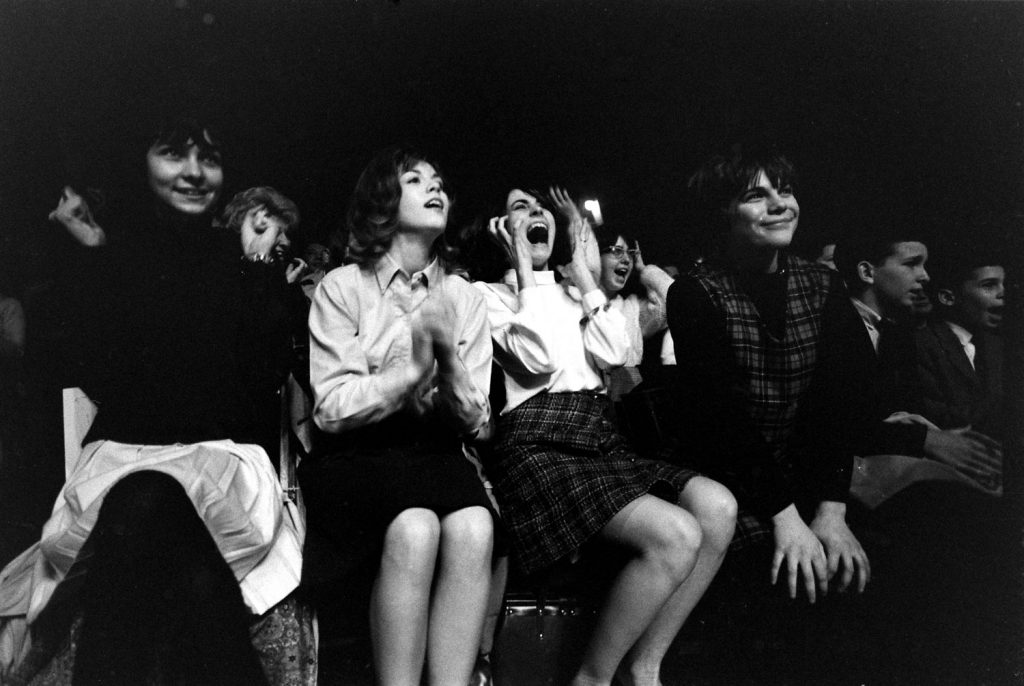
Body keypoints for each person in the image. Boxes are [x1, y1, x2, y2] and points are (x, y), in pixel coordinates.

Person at [0, 116, 305, 686]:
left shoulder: (239, 265)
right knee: (174, 548)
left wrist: (260, 275)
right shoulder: (113, 258)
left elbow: (252, 390)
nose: (193, 172)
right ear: (141, 161)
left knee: (151, 511)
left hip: (219, 465)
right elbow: (100, 378)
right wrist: (93, 257)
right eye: (173, 154)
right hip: (124, 460)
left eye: (208, 159)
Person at [475, 186, 736, 686]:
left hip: (599, 437)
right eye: (518, 208)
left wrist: (586, 286)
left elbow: (619, 354)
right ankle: (593, 678)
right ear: (497, 230)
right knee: (676, 536)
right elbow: (538, 360)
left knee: (717, 507)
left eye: (540, 208)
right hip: (539, 444)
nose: (535, 214)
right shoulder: (488, 294)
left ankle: (645, 665)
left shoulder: (577, 290)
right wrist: (526, 276)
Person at [667, 148, 871, 682]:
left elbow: (838, 404)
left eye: (784, 190)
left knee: (852, 563)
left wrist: (830, 510)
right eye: (757, 195)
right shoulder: (694, 292)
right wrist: (786, 519)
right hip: (728, 480)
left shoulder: (824, 285)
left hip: (803, 474)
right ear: (724, 215)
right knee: (769, 574)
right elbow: (721, 422)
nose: (780, 205)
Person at [302, 146, 497, 686]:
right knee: (415, 528)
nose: (436, 188)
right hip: (356, 456)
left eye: (439, 181)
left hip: (432, 452)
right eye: (415, 180)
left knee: (477, 525)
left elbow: (474, 421)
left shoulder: (466, 296)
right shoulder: (342, 286)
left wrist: (451, 363)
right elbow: (330, 409)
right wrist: (411, 373)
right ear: (383, 202)